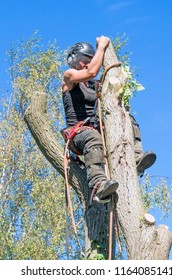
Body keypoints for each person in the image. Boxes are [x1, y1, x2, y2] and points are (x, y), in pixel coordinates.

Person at [61, 36, 156, 202]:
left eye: (88, 61)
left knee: (128, 118)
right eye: (83, 61)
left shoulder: (95, 85)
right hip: (78, 135)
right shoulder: (69, 76)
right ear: (74, 60)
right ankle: (98, 185)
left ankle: (136, 158)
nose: (86, 64)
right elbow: (91, 71)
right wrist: (102, 47)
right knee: (92, 136)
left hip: (97, 130)